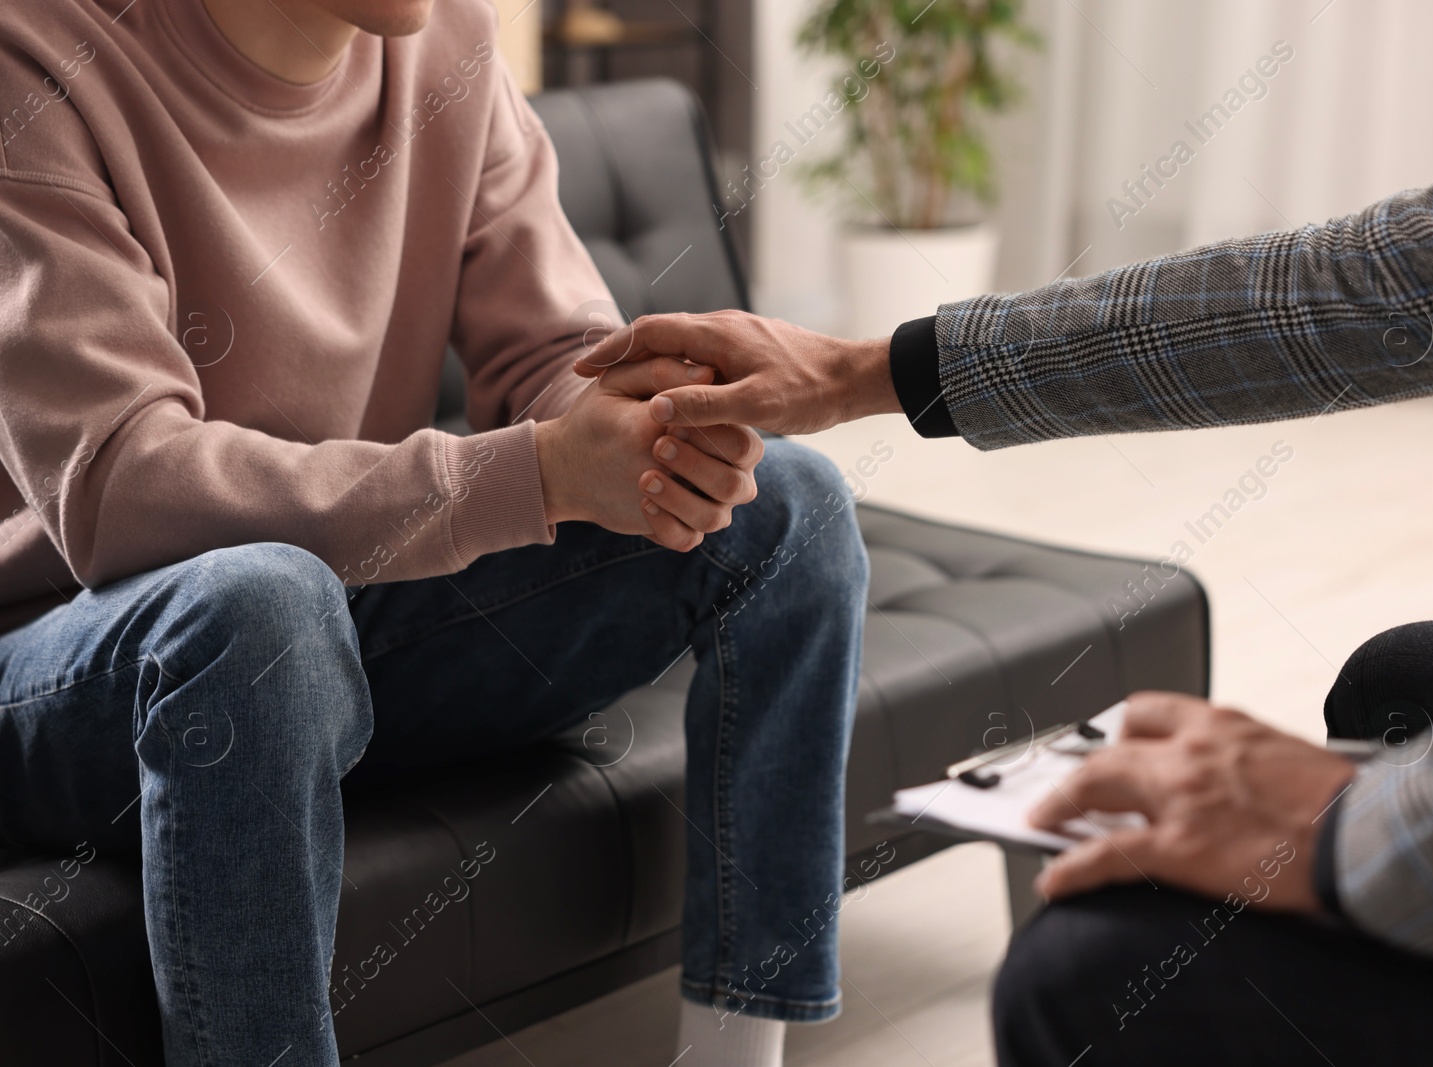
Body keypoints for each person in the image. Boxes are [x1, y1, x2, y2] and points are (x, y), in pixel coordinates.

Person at [578, 2, 1433, 1062]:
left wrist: (1350, 827)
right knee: (1407, 682)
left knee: (1094, 970)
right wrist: (861, 372)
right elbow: (1336, 289)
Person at [0, 2, 867, 1065]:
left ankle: (734, 1051)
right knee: (259, 606)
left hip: (321, 626)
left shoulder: (444, 41)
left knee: (786, 503)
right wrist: (531, 473)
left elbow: (554, 350)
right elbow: (121, 492)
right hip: (70, 662)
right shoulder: (36, 55)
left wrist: (652, 416)